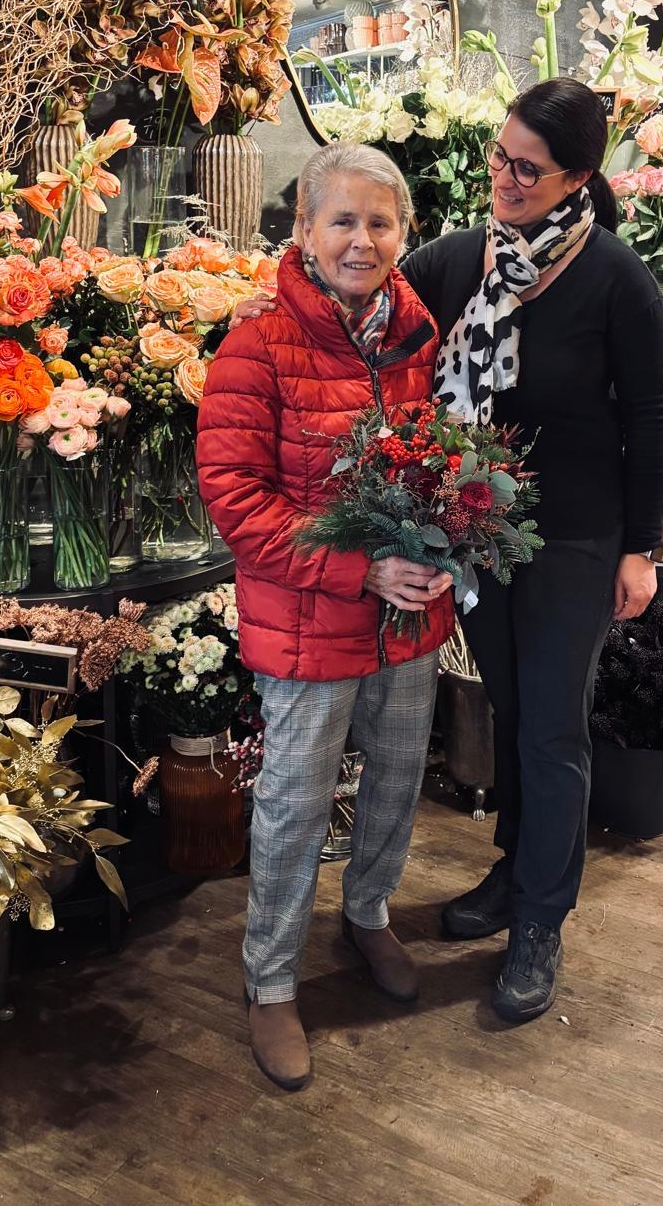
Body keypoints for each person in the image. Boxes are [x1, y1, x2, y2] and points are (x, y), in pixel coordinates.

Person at [400, 76, 663, 1025]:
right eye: (499, 155)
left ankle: (541, 921)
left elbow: (647, 422)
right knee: (509, 712)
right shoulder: (461, 261)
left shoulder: (616, 281)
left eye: (528, 168)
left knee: (554, 726)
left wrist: (641, 549)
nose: (504, 178)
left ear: (577, 180)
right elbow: (377, 295)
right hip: (486, 532)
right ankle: (516, 872)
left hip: (576, 536)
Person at [197, 144, 454, 1092]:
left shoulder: (415, 334)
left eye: (379, 222)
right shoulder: (256, 342)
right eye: (340, 221)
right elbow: (235, 499)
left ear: (404, 233)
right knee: (297, 805)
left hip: (407, 618)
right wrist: (360, 569)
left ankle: (371, 914)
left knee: (393, 779)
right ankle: (270, 979)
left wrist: (444, 539)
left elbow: (434, 464)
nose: (361, 240)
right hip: (310, 622)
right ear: (302, 231)